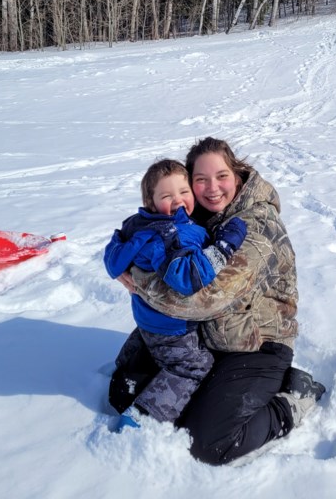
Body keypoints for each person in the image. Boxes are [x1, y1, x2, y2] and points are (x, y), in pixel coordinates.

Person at [108, 137, 327, 465]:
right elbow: (136, 234)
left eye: (221, 176)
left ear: (237, 175)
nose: (212, 188)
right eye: (200, 180)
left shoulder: (253, 227)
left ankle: (293, 400)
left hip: (256, 343)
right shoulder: (193, 215)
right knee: (124, 392)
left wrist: (136, 277)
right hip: (206, 336)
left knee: (209, 442)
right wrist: (118, 260)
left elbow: (202, 299)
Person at [103, 158, 248, 430]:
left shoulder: (136, 223)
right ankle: (145, 415)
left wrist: (116, 269)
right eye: (167, 196)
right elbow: (186, 278)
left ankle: (127, 365)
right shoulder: (172, 236)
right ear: (151, 201)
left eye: (184, 192)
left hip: (147, 319)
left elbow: (114, 252)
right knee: (195, 367)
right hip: (173, 326)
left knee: (152, 343)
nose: (179, 200)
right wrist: (224, 247)